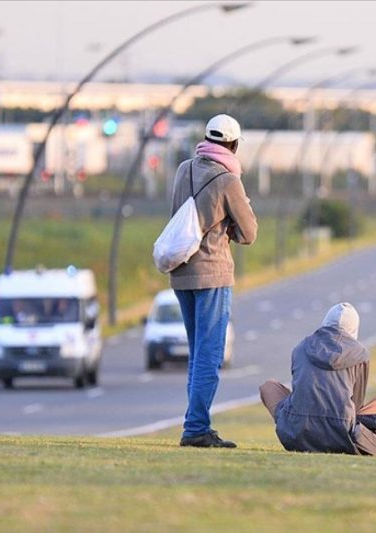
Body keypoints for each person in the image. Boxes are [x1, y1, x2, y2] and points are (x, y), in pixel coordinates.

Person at [171, 114, 257, 448]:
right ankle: (196, 428)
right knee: (210, 353)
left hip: (181, 271)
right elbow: (249, 232)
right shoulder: (228, 180)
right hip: (212, 272)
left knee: (197, 353)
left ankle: (195, 423)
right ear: (234, 145)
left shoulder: (184, 169)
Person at [259, 302, 376, 456]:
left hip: (296, 435)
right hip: (343, 439)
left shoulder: (300, 347)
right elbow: (356, 404)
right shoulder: (360, 354)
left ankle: (297, 427)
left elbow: (299, 391)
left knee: (268, 386)